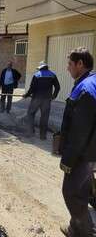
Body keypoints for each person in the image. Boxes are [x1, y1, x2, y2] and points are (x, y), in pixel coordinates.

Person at [59, 47, 96, 237]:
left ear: (80, 64)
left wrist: (67, 161)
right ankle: (76, 227)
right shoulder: (91, 82)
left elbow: (79, 132)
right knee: (85, 189)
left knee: (72, 193)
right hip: (91, 151)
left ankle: (84, 233)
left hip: (84, 153)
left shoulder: (86, 90)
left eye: (70, 64)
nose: (67, 68)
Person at [23, 61, 60, 140]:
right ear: (47, 67)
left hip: (36, 98)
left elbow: (32, 88)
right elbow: (58, 87)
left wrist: (26, 95)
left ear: (40, 68)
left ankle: (30, 132)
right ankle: (43, 136)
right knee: (44, 117)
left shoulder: (37, 75)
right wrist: (53, 96)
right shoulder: (52, 75)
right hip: (47, 100)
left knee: (30, 114)